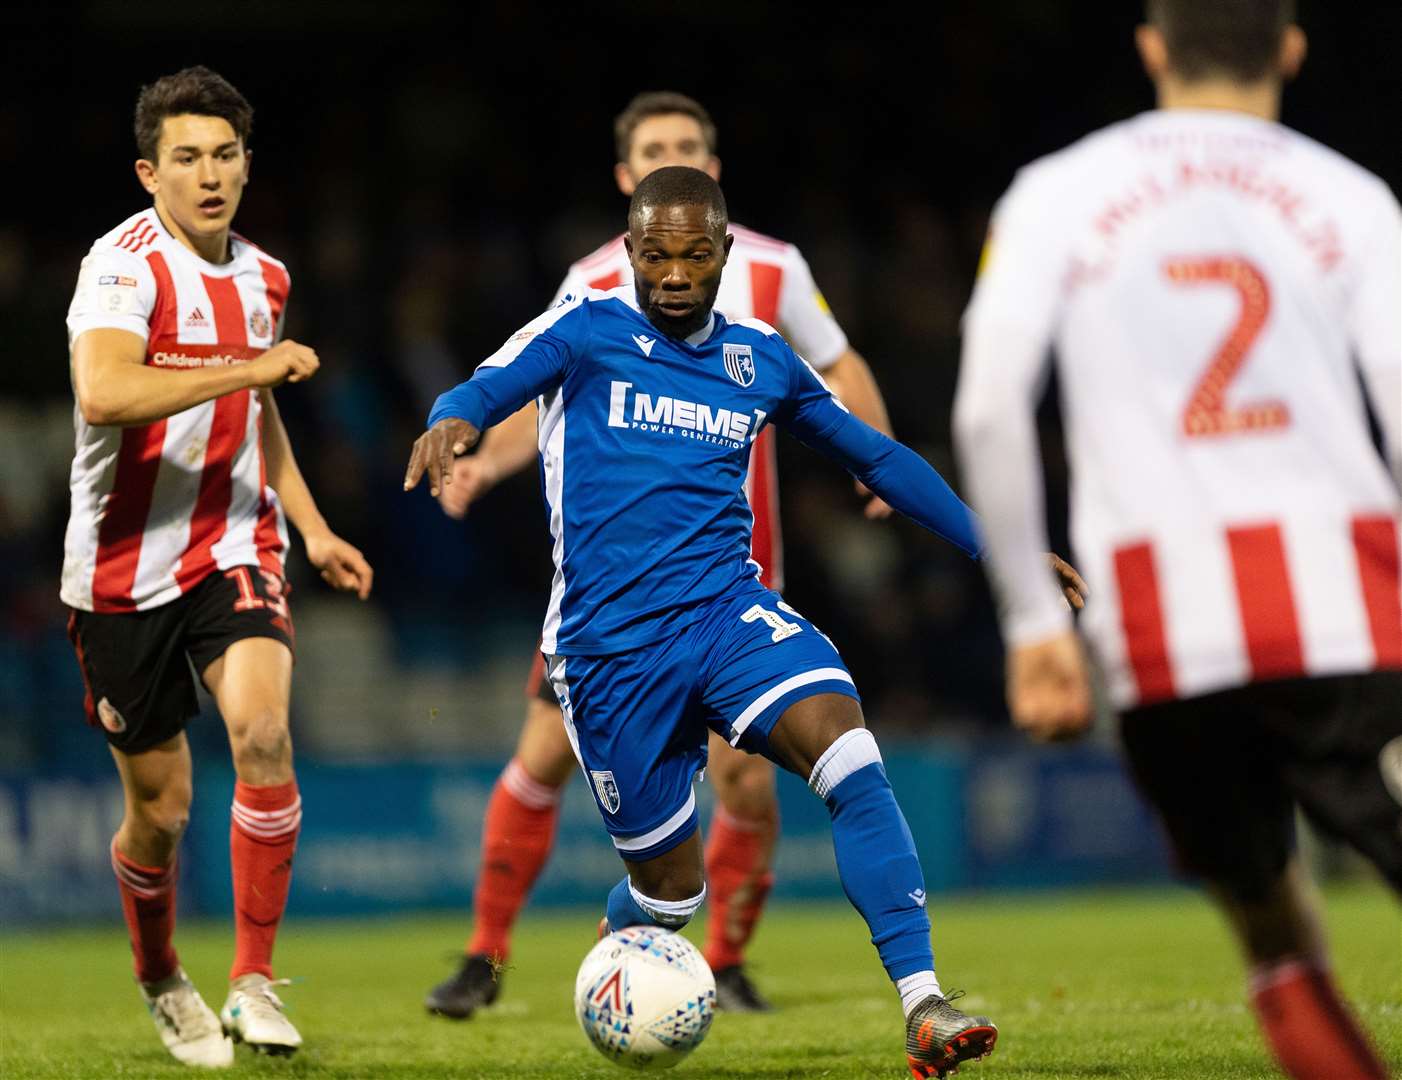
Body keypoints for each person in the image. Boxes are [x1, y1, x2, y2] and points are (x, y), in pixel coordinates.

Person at [405, 165, 1077, 1079]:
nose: (674, 274)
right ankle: (628, 928)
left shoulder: (760, 357)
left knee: (848, 752)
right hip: (610, 658)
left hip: (728, 614)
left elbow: (877, 458)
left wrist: (1001, 553)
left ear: (724, 251)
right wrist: (452, 419)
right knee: (672, 891)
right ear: (630, 250)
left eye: (693, 255)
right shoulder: (586, 327)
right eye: (655, 254)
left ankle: (924, 1003)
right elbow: (489, 383)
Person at [953, 3, 1399, 1079]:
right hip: (1341, 602)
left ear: (1151, 47)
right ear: (1292, 48)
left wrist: (1029, 622)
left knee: (1266, 919)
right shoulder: (1352, 198)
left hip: (1160, 625)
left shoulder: (1054, 192)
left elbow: (985, 412)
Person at [425, 91, 897, 1018]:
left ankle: (718, 963)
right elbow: (539, 388)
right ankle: (484, 956)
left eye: (686, 146)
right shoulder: (594, 283)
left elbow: (837, 364)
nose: (669, 157)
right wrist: (482, 462)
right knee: (541, 757)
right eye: (652, 149)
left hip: (734, 580)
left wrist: (871, 457)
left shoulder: (772, 268)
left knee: (746, 780)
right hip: (612, 590)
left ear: (713, 168)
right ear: (624, 178)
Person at [63, 67, 373, 1067]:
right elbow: (105, 393)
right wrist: (249, 366)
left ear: (247, 164)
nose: (209, 175)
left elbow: (260, 411)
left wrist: (313, 527)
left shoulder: (265, 276)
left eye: (225, 155)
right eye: (187, 157)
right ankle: (162, 978)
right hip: (118, 573)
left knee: (266, 733)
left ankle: (251, 981)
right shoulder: (120, 267)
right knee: (160, 815)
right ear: (149, 172)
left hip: (235, 541)